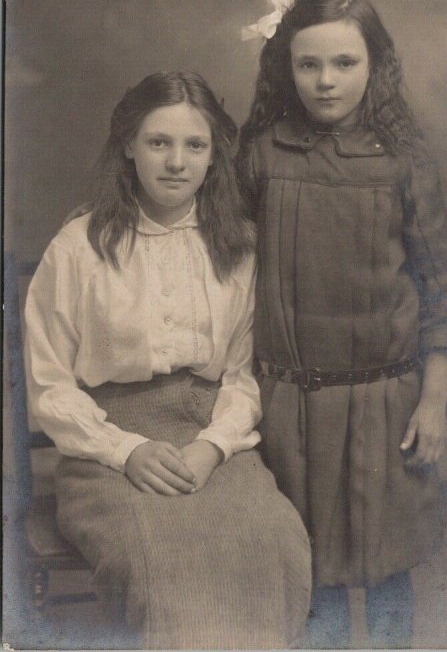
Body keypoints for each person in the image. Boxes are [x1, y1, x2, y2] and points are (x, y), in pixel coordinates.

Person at [24, 71, 311, 649]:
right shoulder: (79, 247)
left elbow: (243, 374)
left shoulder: (239, 246)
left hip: (211, 438)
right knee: (164, 571)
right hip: (102, 448)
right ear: (129, 146)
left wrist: (211, 446)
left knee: (274, 541)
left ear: (215, 156)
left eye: (195, 145)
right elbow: (50, 386)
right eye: (159, 142)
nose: (176, 162)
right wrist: (126, 450)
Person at [238, 0, 447, 648]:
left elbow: (441, 288)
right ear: (285, 67)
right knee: (310, 583)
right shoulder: (261, 153)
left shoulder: (402, 159)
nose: (325, 81)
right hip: (287, 405)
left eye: (343, 62)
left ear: (374, 65)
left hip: (386, 403)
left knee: (388, 576)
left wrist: (434, 399)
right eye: (308, 65)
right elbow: (221, 256)